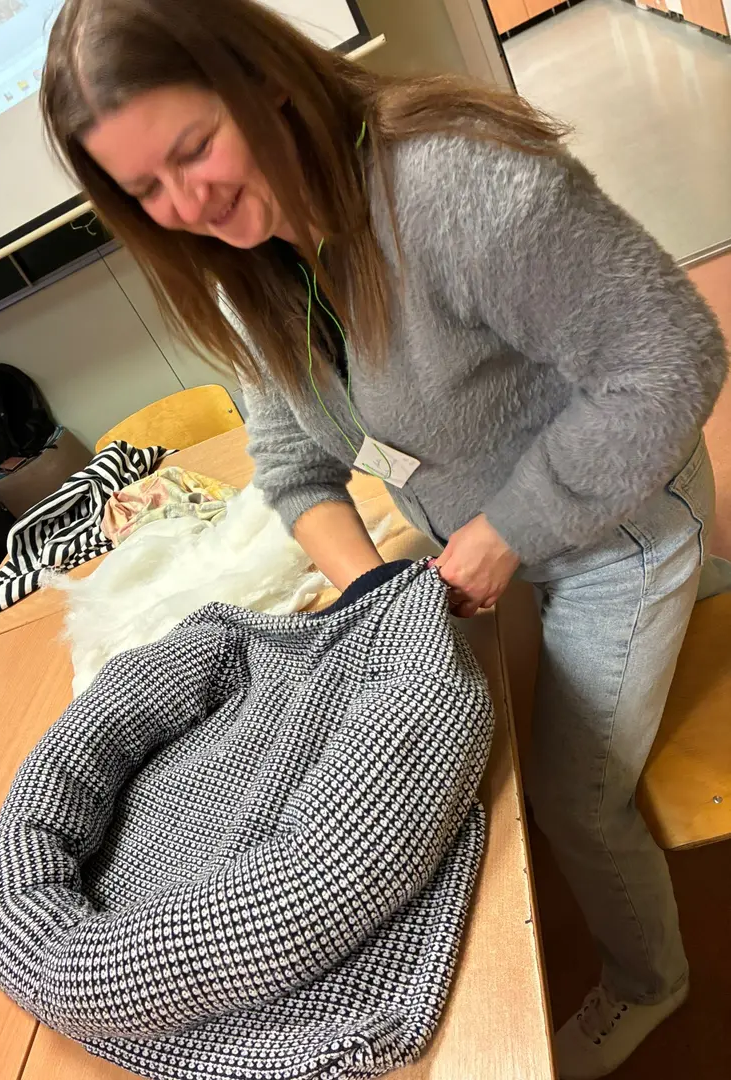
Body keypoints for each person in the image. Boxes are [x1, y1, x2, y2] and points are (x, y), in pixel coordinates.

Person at [41, 0, 730, 1075]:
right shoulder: (247, 262)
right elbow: (292, 469)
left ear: (265, 81)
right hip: (487, 542)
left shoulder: (456, 186)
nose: (188, 204)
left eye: (196, 148)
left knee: (571, 801)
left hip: (619, 525)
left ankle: (654, 982)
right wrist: (378, 598)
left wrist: (505, 532)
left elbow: (674, 360)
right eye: (146, 191)